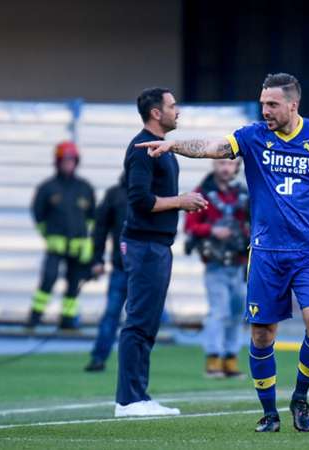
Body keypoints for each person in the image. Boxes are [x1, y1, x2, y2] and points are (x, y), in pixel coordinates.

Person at [137, 73, 309, 432]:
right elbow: (214, 148)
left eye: (273, 104)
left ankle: (301, 398)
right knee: (262, 334)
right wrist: (174, 145)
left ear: (293, 105)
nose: (266, 111)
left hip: (308, 252)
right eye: (263, 104)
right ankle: (269, 412)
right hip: (265, 254)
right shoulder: (252, 136)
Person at [114, 87, 208, 417]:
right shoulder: (143, 150)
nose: (177, 110)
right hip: (144, 245)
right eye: (172, 105)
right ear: (156, 113)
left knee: (148, 323)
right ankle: (128, 401)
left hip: (158, 245)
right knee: (138, 322)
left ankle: (138, 395)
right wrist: (181, 201)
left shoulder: (164, 149)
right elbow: (139, 199)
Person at [184, 159, 249, 379]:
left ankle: (230, 358)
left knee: (237, 313)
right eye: (221, 163)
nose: (225, 168)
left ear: (236, 167)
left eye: (230, 164)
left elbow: (255, 221)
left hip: (240, 263)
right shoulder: (202, 192)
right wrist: (212, 230)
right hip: (215, 263)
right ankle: (213, 359)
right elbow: (190, 226)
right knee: (218, 312)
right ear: (214, 165)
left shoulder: (243, 192)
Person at [29, 141, 95, 330]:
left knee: (73, 284)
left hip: (77, 248)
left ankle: (68, 320)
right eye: (64, 160)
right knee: (48, 279)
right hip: (55, 247)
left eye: (71, 160)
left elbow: (92, 218)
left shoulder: (85, 188)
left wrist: (88, 245)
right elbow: (38, 215)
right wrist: (48, 236)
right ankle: (34, 317)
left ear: (76, 161)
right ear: (57, 162)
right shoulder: (47, 188)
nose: (68, 163)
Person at [84, 175, 128, 372]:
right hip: (121, 266)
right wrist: (97, 259)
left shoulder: (155, 191)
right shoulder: (115, 195)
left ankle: (136, 364)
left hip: (146, 269)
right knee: (111, 314)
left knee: (143, 320)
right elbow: (100, 228)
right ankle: (99, 357)